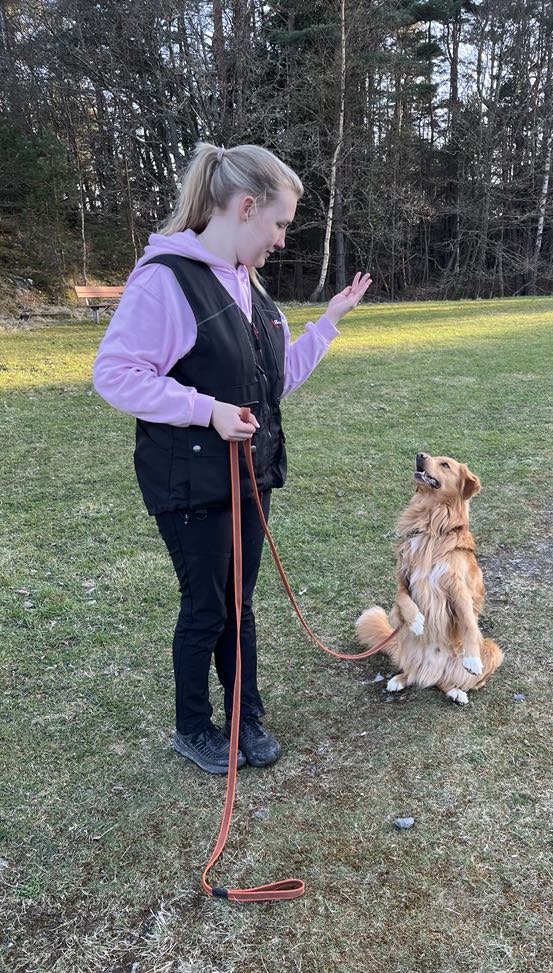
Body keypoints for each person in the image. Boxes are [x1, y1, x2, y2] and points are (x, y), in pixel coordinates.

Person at [92, 142, 371, 775]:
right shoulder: (166, 279)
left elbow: (271, 384)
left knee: (238, 604)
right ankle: (194, 726)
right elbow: (114, 374)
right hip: (190, 480)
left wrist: (326, 323)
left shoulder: (253, 290)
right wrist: (205, 409)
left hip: (249, 477)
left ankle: (246, 716)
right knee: (207, 606)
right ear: (245, 207)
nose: (280, 240)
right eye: (278, 223)